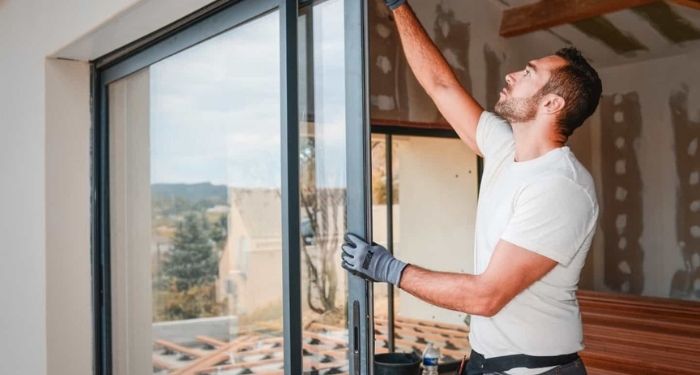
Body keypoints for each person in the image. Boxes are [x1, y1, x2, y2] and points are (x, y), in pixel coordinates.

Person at [340, 1, 602, 374]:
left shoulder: (561, 187)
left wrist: (387, 268)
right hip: (486, 363)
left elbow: (486, 296)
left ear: (551, 103)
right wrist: (398, 5)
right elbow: (441, 84)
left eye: (528, 73)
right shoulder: (504, 147)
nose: (512, 74)